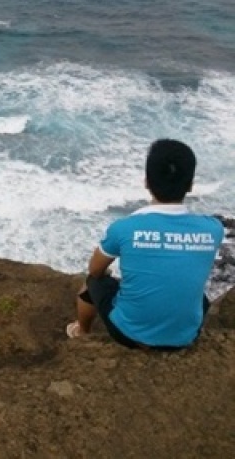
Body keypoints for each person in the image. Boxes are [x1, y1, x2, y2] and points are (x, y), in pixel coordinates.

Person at [66, 138, 224, 349]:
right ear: (190, 185)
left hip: (128, 335)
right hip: (185, 337)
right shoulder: (213, 229)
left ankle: (82, 331)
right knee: (197, 294)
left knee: (93, 282)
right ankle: (176, 326)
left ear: (146, 182)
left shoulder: (124, 228)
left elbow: (95, 269)